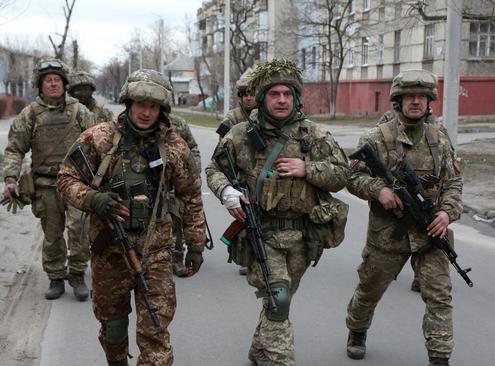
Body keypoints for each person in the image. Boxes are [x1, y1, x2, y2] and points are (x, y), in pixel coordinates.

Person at [56, 68, 206, 366]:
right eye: (140, 104)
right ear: (129, 104)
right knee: (113, 328)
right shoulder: (99, 139)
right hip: (109, 252)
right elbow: (65, 179)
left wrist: (196, 244)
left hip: (156, 253)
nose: (146, 112)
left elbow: (190, 195)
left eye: (153, 106)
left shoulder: (175, 147)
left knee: (156, 331)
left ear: (162, 109)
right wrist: (94, 199)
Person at [206, 59, 350, 366]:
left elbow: (343, 175)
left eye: (288, 93)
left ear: (296, 97)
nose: (282, 99)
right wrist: (227, 192)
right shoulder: (241, 135)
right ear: (261, 98)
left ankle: (260, 348)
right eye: (274, 94)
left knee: (280, 301)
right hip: (262, 231)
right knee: (278, 299)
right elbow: (214, 168)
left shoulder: (314, 135)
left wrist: (308, 168)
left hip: (302, 235)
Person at [344, 69, 463, 366]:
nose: (415, 102)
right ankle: (357, 329)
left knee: (439, 297)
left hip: (431, 231)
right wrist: (378, 189)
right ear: (397, 101)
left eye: (421, 97)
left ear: (429, 101)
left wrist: (447, 213)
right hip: (388, 232)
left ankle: (440, 356)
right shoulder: (376, 138)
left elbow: (453, 183)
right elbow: (351, 176)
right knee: (369, 290)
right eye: (409, 96)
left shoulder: (440, 139)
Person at [2, 58, 96, 301]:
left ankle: (77, 274)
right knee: (52, 234)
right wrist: (11, 178)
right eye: (48, 81)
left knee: (80, 230)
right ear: (40, 85)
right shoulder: (30, 114)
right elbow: (15, 148)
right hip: (45, 184)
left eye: (57, 80)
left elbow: (99, 143)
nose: (53, 84)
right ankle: (56, 277)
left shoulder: (79, 112)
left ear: (64, 83)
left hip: (77, 182)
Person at [216, 74, 258, 276]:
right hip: (239, 174)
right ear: (239, 97)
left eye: (252, 94)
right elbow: (221, 152)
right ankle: (245, 256)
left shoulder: (265, 115)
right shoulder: (232, 118)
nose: (248, 98)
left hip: (260, 172)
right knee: (245, 220)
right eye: (244, 95)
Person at [167, 113, 202, 277]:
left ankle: (177, 256)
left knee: (178, 217)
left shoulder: (178, 123)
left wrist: (193, 169)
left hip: (177, 181)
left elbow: (193, 148)